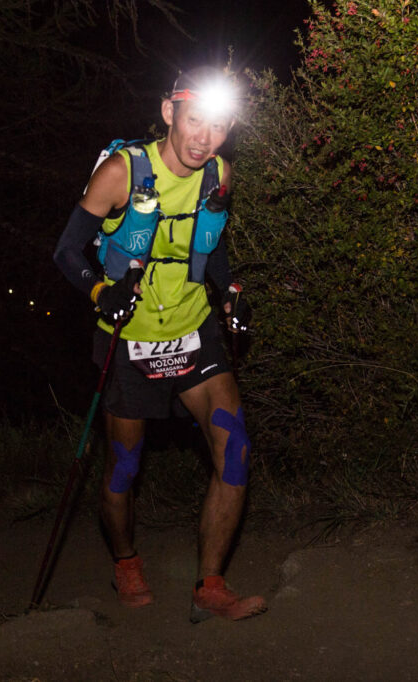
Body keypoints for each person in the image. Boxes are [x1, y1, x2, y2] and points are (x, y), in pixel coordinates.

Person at [52, 67, 265, 623]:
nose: (204, 137)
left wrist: (231, 293)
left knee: (235, 449)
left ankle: (210, 584)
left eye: (218, 125)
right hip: (131, 343)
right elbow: (67, 252)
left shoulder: (219, 174)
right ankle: (125, 560)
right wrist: (101, 291)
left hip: (194, 333)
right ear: (170, 112)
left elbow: (210, 251)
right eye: (194, 120)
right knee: (123, 469)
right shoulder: (123, 172)